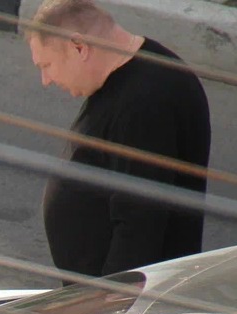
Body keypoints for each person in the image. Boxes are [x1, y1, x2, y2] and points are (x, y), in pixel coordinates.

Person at [26, 0, 211, 276]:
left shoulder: (147, 101)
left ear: (79, 47)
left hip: (124, 303)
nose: (46, 79)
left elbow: (140, 222)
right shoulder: (126, 78)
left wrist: (111, 301)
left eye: (47, 65)